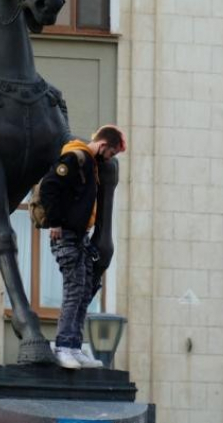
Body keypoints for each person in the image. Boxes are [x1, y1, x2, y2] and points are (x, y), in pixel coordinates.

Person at [39, 125, 127, 369]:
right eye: (111, 153)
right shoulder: (75, 157)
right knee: (74, 290)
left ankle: (75, 346)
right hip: (66, 235)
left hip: (80, 238)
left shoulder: (90, 163)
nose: (110, 159)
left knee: (84, 289)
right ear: (103, 145)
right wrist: (54, 221)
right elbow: (49, 187)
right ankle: (64, 346)